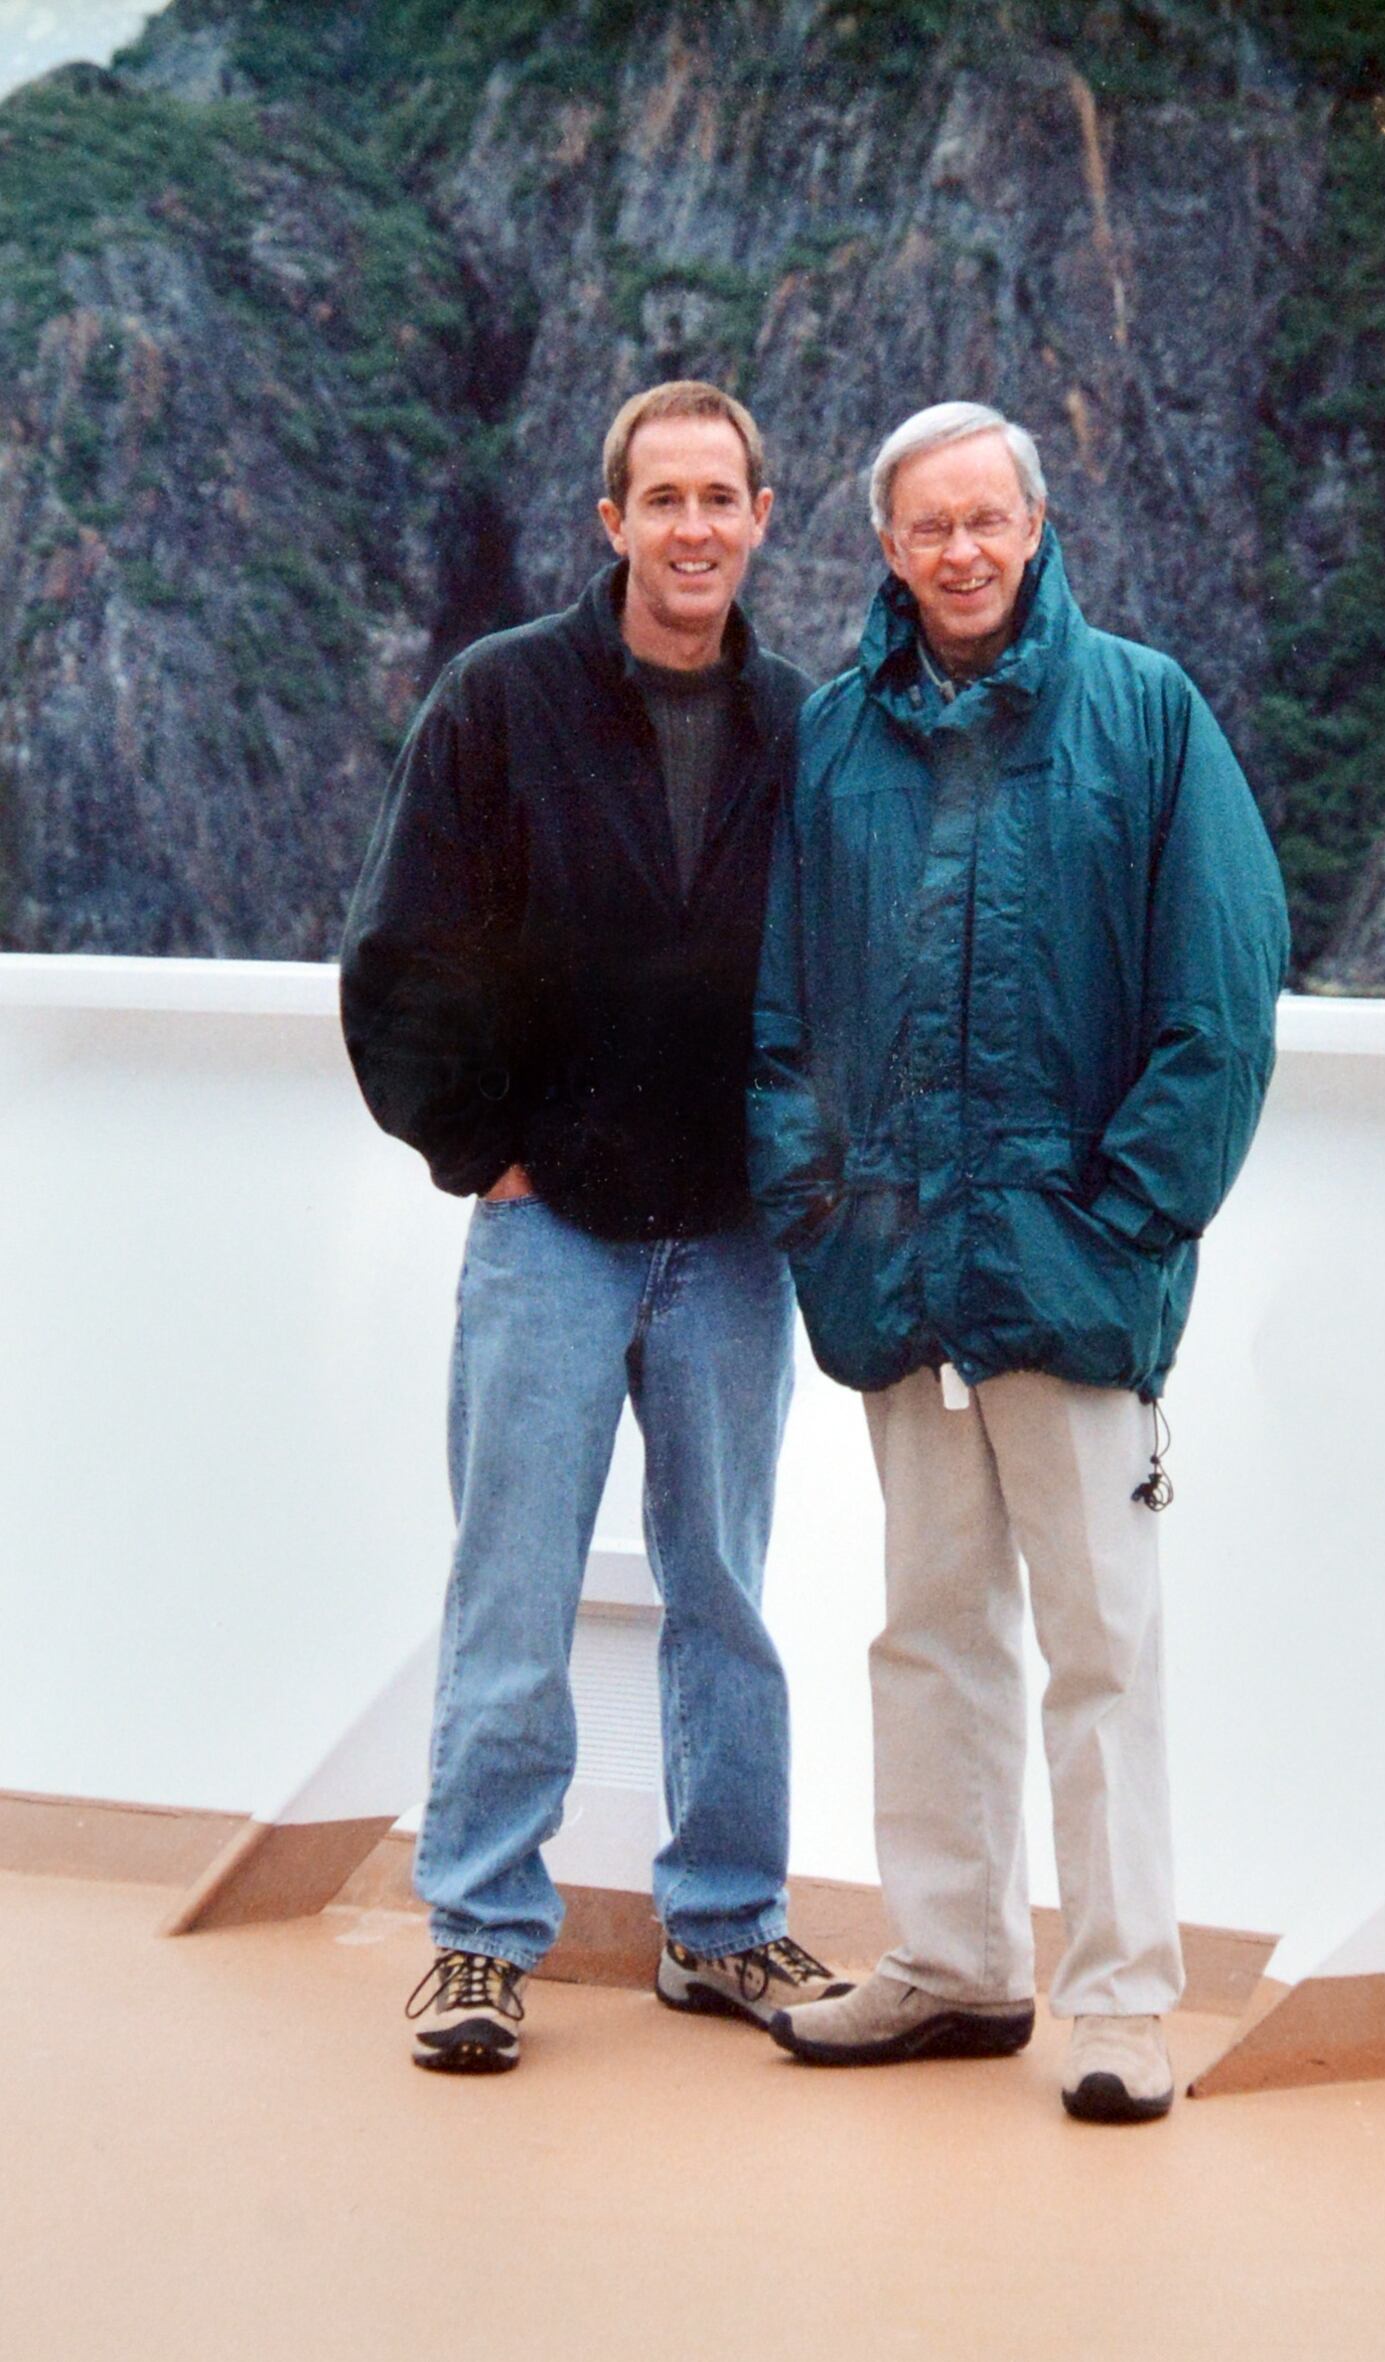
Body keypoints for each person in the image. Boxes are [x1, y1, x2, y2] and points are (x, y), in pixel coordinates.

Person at [748, 401, 1288, 2122]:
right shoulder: (836, 741)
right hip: (903, 1279)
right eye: (930, 527)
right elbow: (779, 1015)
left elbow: (1221, 997)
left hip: (1071, 1282)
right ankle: (956, 1961)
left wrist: (1127, 1221)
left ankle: (1122, 2001)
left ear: (1037, 529)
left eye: (989, 521)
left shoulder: (1145, 714)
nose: (962, 552)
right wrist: (820, 1217)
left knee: (1103, 1648)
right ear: (888, 547)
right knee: (930, 1631)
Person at [341, 380, 844, 2074]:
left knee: (727, 1590)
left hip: (734, 1238)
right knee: (514, 1586)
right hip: (550, 1228)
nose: (696, 526)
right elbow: (400, 950)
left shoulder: (805, 723)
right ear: (612, 521)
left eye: (725, 496)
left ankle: (722, 1925)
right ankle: (481, 1935)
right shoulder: (502, 701)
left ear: (765, 517)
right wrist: (478, 1151)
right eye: (665, 498)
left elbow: (849, 972)